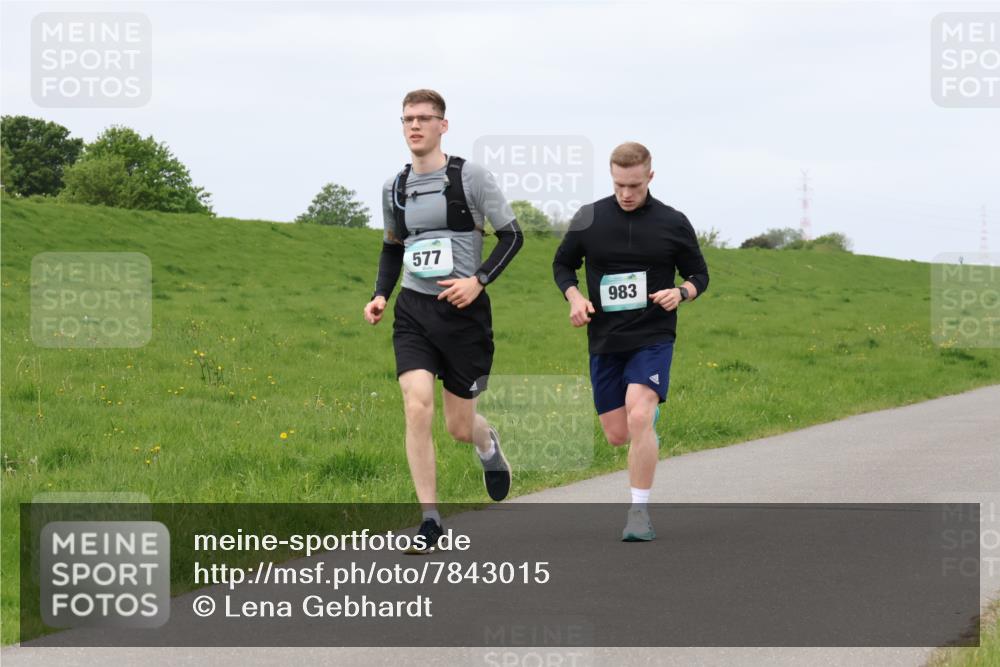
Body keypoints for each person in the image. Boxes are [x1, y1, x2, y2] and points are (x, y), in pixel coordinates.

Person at [363, 89, 524, 553]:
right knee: (416, 406)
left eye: (423, 118)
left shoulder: (470, 177)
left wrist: (479, 280)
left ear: (443, 125)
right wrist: (380, 294)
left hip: (464, 316)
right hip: (414, 310)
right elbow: (392, 247)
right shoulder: (394, 187)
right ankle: (430, 520)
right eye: (407, 119)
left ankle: (487, 444)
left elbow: (513, 237)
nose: (414, 126)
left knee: (458, 426)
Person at [552, 141, 709, 541]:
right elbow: (563, 264)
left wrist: (681, 293)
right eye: (619, 185)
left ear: (650, 177)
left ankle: (638, 513)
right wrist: (575, 298)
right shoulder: (589, 218)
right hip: (606, 338)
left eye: (634, 186)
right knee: (617, 434)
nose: (626, 193)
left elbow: (699, 275)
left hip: (653, 334)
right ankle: (645, 420)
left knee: (638, 415)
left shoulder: (673, 222)